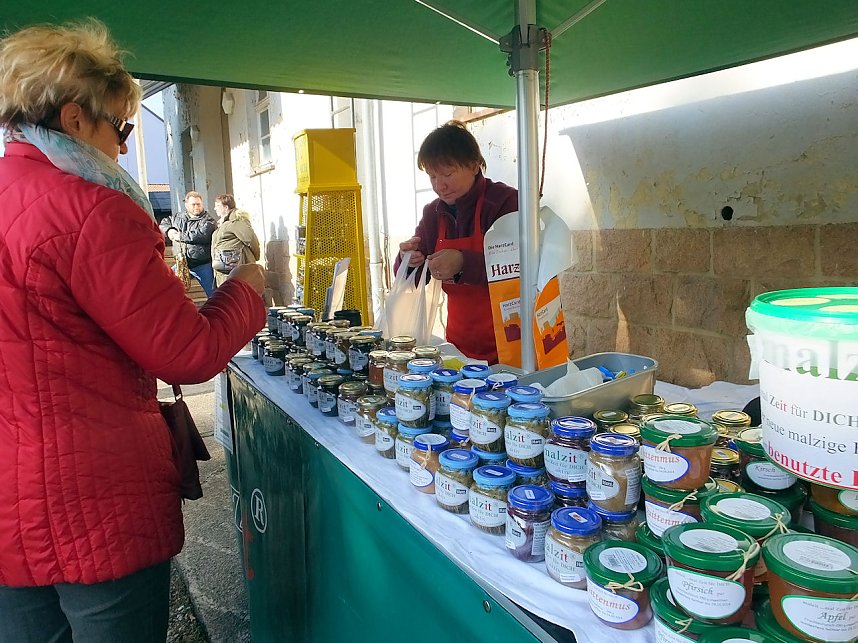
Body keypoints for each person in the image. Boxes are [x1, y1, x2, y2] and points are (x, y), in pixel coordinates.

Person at [0, 19, 266, 642]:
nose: (123, 147)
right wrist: (245, 291)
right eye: (119, 129)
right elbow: (187, 352)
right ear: (73, 120)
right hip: (94, 496)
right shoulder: (89, 211)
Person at [397, 121, 518, 364]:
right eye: (432, 176)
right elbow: (415, 277)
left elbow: (518, 265)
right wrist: (409, 260)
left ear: (474, 166)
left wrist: (463, 262)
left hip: (511, 341)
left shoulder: (505, 202)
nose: (439, 185)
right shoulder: (434, 213)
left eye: (448, 174)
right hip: (459, 347)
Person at [159, 191, 218, 296]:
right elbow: (164, 223)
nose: (196, 207)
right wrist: (169, 230)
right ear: (186, 205)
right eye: (193, 204)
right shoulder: (177, 217)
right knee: (164, 286)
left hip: (202, 264)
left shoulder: (208, 220)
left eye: (198, 204)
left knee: (214, 294)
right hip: (181, 263)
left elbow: (202, 235)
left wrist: (179, 236)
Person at [211, 193, 262, 287]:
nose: (215, 208)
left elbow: (250, 239)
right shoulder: (223, 222)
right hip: (224, 271)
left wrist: (255, 257)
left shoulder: (236, 221)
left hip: (235, 270)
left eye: (217, 206)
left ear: (226, 207)